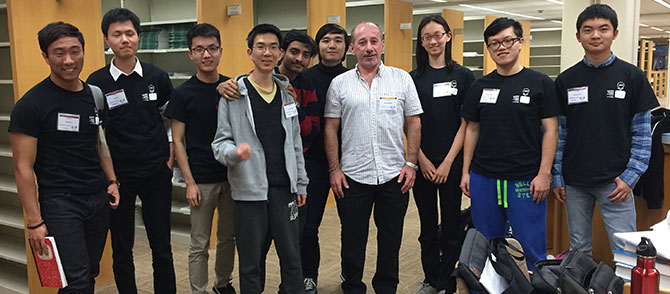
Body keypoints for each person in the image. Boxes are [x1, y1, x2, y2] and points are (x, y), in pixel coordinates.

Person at [9, 22, 120, 293]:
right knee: (76, 280)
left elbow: (100, 143)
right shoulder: (30, 105)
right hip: (60, 203)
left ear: (84, 51)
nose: (69, 60)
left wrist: (112, 180)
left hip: (97, 197)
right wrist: (34, 221)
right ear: (45, 57)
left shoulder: (94, 96)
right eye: (59, 53)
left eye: (75, 51)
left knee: (88, 273)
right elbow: (22, 167)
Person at [551, 4, 658, 257]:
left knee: (626, 251)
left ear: (615, 33)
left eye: (603, 29)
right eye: (588, 30)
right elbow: (560, 134)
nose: (595, 35)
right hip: (575, 181)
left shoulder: (632, 76)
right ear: (578, 36)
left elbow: (643, 135)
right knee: (579, 249)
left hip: (616, 181)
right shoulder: (566, 80)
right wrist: (558, 176)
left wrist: (630, 176)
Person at [324, 22, 423, 294]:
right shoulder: (339, 84)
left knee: (390, 240)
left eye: (374, 41)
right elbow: (331, 128)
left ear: (383, 44)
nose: (369, 48)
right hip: (352, 176)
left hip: (394, 176)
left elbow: (413, 123)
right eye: (362, 43)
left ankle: (386, 288)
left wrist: (411, 163)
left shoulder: (402, 79)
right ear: (352, 48)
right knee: (352, 239)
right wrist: (334, 168)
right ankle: (353, 287)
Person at [211, 23, 308, 294]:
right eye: (261, 47)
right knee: (251, 262)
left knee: (291, 258)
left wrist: (300, 183)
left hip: (283, 190)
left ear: (280, 54)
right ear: (250, 52)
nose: (267, 52)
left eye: (273, 47)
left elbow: (295, 143)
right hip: (248, 193)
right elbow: (219, 144)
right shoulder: (234, 95)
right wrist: (236, 153)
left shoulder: (287, 95)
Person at [86, 8, 176, 293]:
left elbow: (172, 121)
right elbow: (96, 134)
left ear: (138, 37)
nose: (124, 39)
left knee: (161, 244)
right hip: (118, 178)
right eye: (117, 34)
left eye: (130, 33)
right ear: (106, 39)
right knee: (122, 247)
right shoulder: (96, 83)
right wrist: (108, 176)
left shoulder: (157, 76)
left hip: (156, 172)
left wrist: (170, 160)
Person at [459, 17, 558, 270]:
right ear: (488, 48)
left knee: (531, 243)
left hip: (525, 178)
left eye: (507, 41)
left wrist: (545, 173)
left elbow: (550, 130)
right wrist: (466, 171)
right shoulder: (480, 85)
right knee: (486, 242)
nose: (501, 47)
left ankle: (538, 286)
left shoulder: (540, 83)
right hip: (484, 177)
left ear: (520, 42)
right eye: (494, 43)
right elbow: (472, 129)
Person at [164, 23, 236, 294]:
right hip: (201, 180)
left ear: (220, 50)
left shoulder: (232, 87)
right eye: (200, 50)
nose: (207, 55)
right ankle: (199, 290)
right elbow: (178, 142)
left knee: (229, 237)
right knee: (200, 242)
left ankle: (223, 284)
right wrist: (189, 182)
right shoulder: (182, 94)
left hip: (231, 176)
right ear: (190, 54)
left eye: (212, 48)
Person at [410, 15, 474, 294]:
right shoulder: (413, 78)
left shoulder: (463, 76)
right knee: (426, 226)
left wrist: (448, 162)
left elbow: (467, 123)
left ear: (449, 36)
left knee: (450, 225)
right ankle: (430, 277)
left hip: (452, 162)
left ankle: (446, 276)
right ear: (421, 43)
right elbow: (408, 122)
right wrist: (420, 159)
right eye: (427, 37)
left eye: (438, 35)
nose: (433, 41)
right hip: (422, 162)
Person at [299, 23, 350, 294]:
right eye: (326, 40)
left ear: (346, 46)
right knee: (309, 225)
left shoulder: (354, 77)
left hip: (350, 162)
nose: (332, 45)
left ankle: (349, 271)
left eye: (338, 40)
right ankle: (309, 276)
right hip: (313, 163)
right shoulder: (305, 78)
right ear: (317, 46)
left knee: (351, 224)